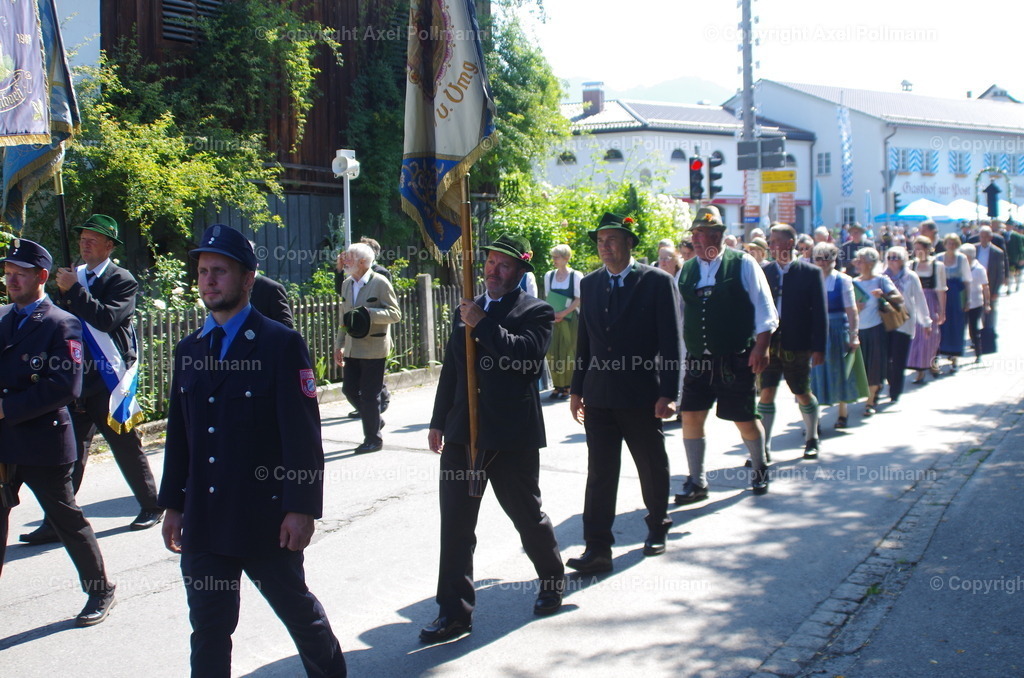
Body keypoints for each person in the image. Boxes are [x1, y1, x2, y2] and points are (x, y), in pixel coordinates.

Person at [159, 225, 346, 677]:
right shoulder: (189, 350)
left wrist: (301, 508)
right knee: (208, 628)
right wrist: (172, 505)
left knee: (298, 614)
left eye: (220, 271)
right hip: (205, 520)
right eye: (203, 271)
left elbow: (302, 437)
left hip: (265, 517)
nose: (208, 281)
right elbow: (180, 435)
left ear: (247, 280)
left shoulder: (279, 344)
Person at [423, 234, 564, 643]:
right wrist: (437, 420)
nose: (492, 271)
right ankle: (453, 614)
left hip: (510, 436)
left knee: (526, 515)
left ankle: (552, 577)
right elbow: (452, 369)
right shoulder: (467, 309)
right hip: (463, 435)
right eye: (488, 262)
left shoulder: (536, 311)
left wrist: (482, 324)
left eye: (503, 265)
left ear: (520, 271)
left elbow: (525, 360)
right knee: (456, 527)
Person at [23, 215, 162, 546]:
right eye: (82, 239)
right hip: (76, 379)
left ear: (109, 246)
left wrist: (74, 291)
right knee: (70, 454)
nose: (84, 244)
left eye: (92, 240)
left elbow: (105, 318)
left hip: (109, 378)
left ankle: (151, 506)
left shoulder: (121, 279)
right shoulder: (75, 276)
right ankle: (56, 520)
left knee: (125, 445)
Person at [1, 239, 117, 626]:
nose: (11, 279)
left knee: (66, 521)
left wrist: (7, 408)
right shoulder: (1, 318)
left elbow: (66, 387)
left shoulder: (60, 322)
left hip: (42, 442)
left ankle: (100, 588)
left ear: (42, 277)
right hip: (4, 443)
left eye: (20, 273)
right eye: (8, 272)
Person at [567, 213, 681, 574]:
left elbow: (672, 342)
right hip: (599, 396)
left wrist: (669, 392)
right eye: (600, 241)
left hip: (641, 393)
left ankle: (657, 526)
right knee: (600, 472)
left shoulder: (657, 282)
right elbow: (584, 341)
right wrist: (577, 388)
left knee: (650, 464)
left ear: (630, 243)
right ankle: (597, 548)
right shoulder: (590, 283)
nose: (605, 246)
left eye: (612, 239)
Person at [675, 206, 778, 504]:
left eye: (702, 232)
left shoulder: (742, 263)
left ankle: (759, 466)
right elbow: (681, 319)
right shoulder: (687, 270)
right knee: (691, 415)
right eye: (694, 233)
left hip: (735, 356)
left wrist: (762, 347)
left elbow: (764, 307)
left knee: (744, 416)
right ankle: (697, 481)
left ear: (718, 235)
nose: (696, 238)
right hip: (698, 358)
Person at [757, 224, 827, 459]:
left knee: (802, 392)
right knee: (766, 392)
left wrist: (819, 348)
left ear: (789, 244)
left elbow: (820, 313)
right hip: (769, 342)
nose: (771, 245)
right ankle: (763, 447)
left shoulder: (810, 273)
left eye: (775, 241)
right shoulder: (765, 272)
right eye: (770, 241)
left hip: (798, 343)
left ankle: (811, 437)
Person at [333, 243, 401, 454]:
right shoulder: (346, 284)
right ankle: (375, 420)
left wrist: (370, 313)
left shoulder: (380, 283)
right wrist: (339, 344)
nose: (345, 260)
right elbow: (344, 317)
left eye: (350, 257)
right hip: (353, 346)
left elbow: (395, 314)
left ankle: (373, 439)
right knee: (350, 389)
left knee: (370, 396)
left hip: (374, 347)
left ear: (363, 262)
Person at [809, 243, 868, 429]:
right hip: (815, 329)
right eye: (819, 258)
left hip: (836, 328)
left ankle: (842, 413)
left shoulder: (843, 280)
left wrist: (853, 335)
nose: (823, 262)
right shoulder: (809, 279)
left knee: (840, 371)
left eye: (827, 257)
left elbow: (851, 311)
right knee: (815, 375)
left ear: (835, 260)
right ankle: (813, 420)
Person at [853, 247, 901, 416]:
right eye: (857, 261)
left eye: (861, 261)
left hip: (876, 329)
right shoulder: (854, 282)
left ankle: (870, 401)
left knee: (875, 366)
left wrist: (883, 295)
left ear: (871, 263)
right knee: (863, 367)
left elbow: (899, 299)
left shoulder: (881, 280)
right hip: (858, 330)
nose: (857, 264)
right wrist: (855, 308)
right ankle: (868, 394)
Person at [883, 247, 931, 404]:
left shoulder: (911, 277)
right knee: (886, 359)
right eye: (889, 257)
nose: (892, 260)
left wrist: (926, 321)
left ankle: (895, 391)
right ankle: (891, 382)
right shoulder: (883, 277)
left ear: (903, 259)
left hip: (904, 321)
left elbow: (919, 300)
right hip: (885, 321)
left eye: (895, 257)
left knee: (898, 358)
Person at [907, 236, 946, 383]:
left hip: (930, 301)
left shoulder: (937, 266)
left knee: (932, 336)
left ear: (928, 249)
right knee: (917, 338)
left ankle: (933, 363)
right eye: (915, 249)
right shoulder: (911, 265)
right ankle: (920, 370)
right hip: (915, 303)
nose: (917, 252)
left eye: (920, 249)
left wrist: (942, 311)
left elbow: (941, 290)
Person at [544, 244, 581, 399]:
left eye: (557, 257)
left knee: (568, 351)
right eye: (553, 257)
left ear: (566, 258)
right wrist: (554, 314)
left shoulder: (576, 276)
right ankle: (557, 385)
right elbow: (548, 297)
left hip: (570, 319)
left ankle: (568, 386)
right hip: (554, 318)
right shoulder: (549, 275)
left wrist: (563, 313)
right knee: (553, 352)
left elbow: (579, 299)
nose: (554, 260)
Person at [937, 234, 972, 373]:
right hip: (941, 293)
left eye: (953, 243)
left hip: (957, 293)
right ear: (945, 244)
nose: (951, 245)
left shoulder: (961, 258)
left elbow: (967, 280)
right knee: (941, 324)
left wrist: (968, 299)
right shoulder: (938, 258)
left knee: (956, 324)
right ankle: (939, 355)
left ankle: (955, 358)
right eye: (948, 243)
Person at [974, 226, 1005, 354]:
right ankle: (976, 337)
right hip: (976, 287)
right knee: (977, 312)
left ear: (991, 237)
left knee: (990, 312)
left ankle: (988, 335)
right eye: (982, 236)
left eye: (986, 236)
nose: (984, 239)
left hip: (990, 286)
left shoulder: (997, 252)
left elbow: (1000, 273)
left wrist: (996, 290)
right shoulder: (974, 249)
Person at [959, 243, 991, 363]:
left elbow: (985, 287)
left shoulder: (979, 269)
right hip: (961, 302)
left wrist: (987, 303)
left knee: (974, 329)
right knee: (961, 328)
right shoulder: (959, 268)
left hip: (975, 303)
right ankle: (956, 353)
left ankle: (978, 353)